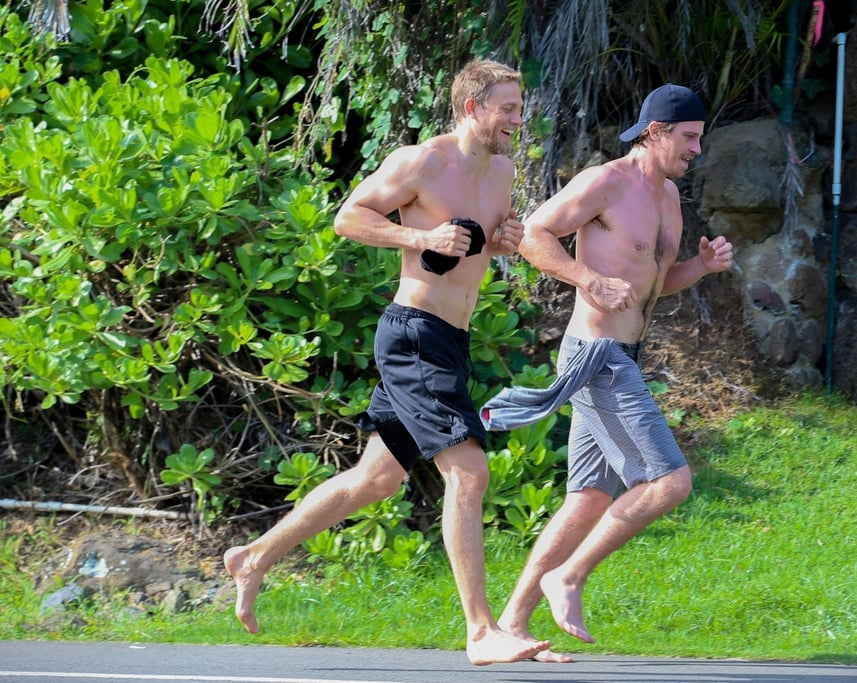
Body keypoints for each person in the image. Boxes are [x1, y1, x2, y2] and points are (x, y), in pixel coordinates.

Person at [223, 59, 551, 666]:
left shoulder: (502, 170)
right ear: (473, 107)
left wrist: (502, 239)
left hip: (449, 339)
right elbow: (350, 217)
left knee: (377, 480)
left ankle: (255, 556)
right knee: (469, 473)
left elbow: (489, 235)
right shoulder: (422, 162)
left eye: (518, 106)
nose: (517, 118)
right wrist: (419, 239)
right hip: (414, 335)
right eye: (507, 107)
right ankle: (481, 633)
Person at [481, 84, 734, 660]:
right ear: (655, 132)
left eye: (699, 138)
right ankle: (567, 577)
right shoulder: (606, 182)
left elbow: (650, 283)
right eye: (689, 138)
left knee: (589, 498)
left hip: (625, 355)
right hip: (597, 355)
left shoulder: (667, 196)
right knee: (669, 482)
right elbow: (535, 234)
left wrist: (701, 265)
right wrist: (585, 279)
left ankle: (514, 627)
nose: (697, 149)